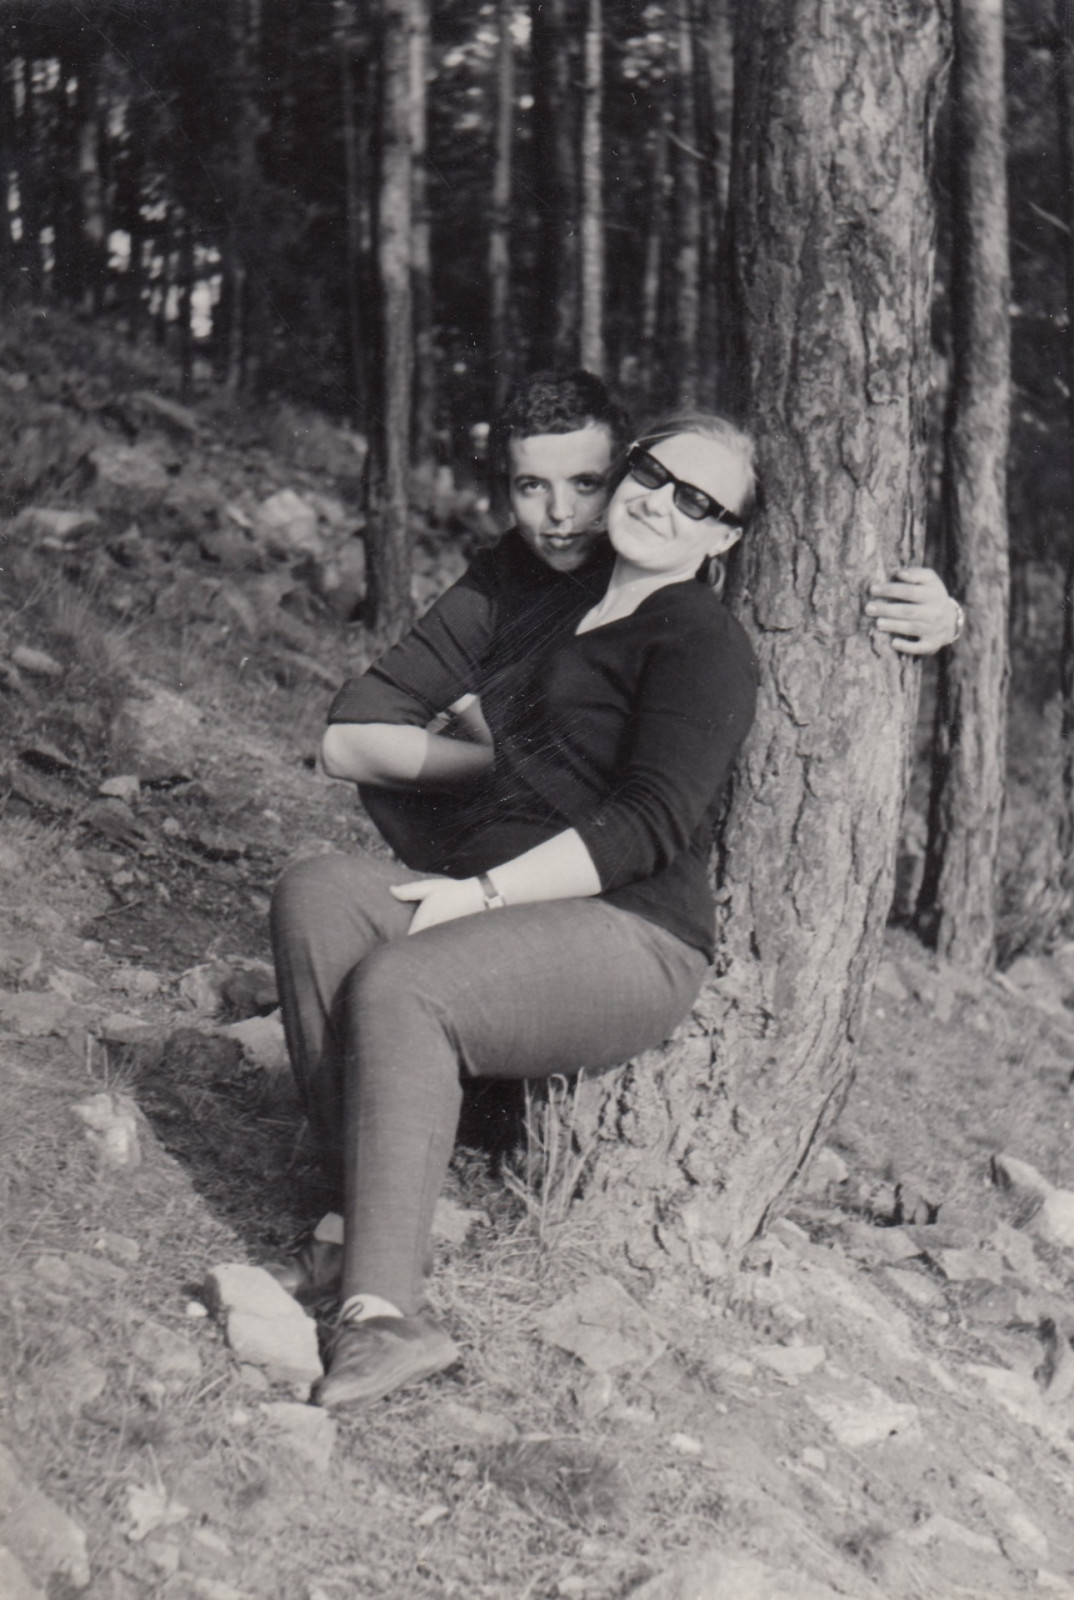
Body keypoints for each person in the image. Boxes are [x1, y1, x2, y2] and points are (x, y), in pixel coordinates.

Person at [271, 412, 761, 1408]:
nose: (660, 503)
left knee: (406, 984)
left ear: (723, 537)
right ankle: (358, 1222)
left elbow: (651, 822)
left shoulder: (701, 639)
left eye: (697, 501)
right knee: (319, 894)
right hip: (509, 905)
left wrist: (483, 892)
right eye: (652, 474)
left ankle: (383, 1317)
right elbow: (378, 718)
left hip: (634, 934)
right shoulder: (568, 594)